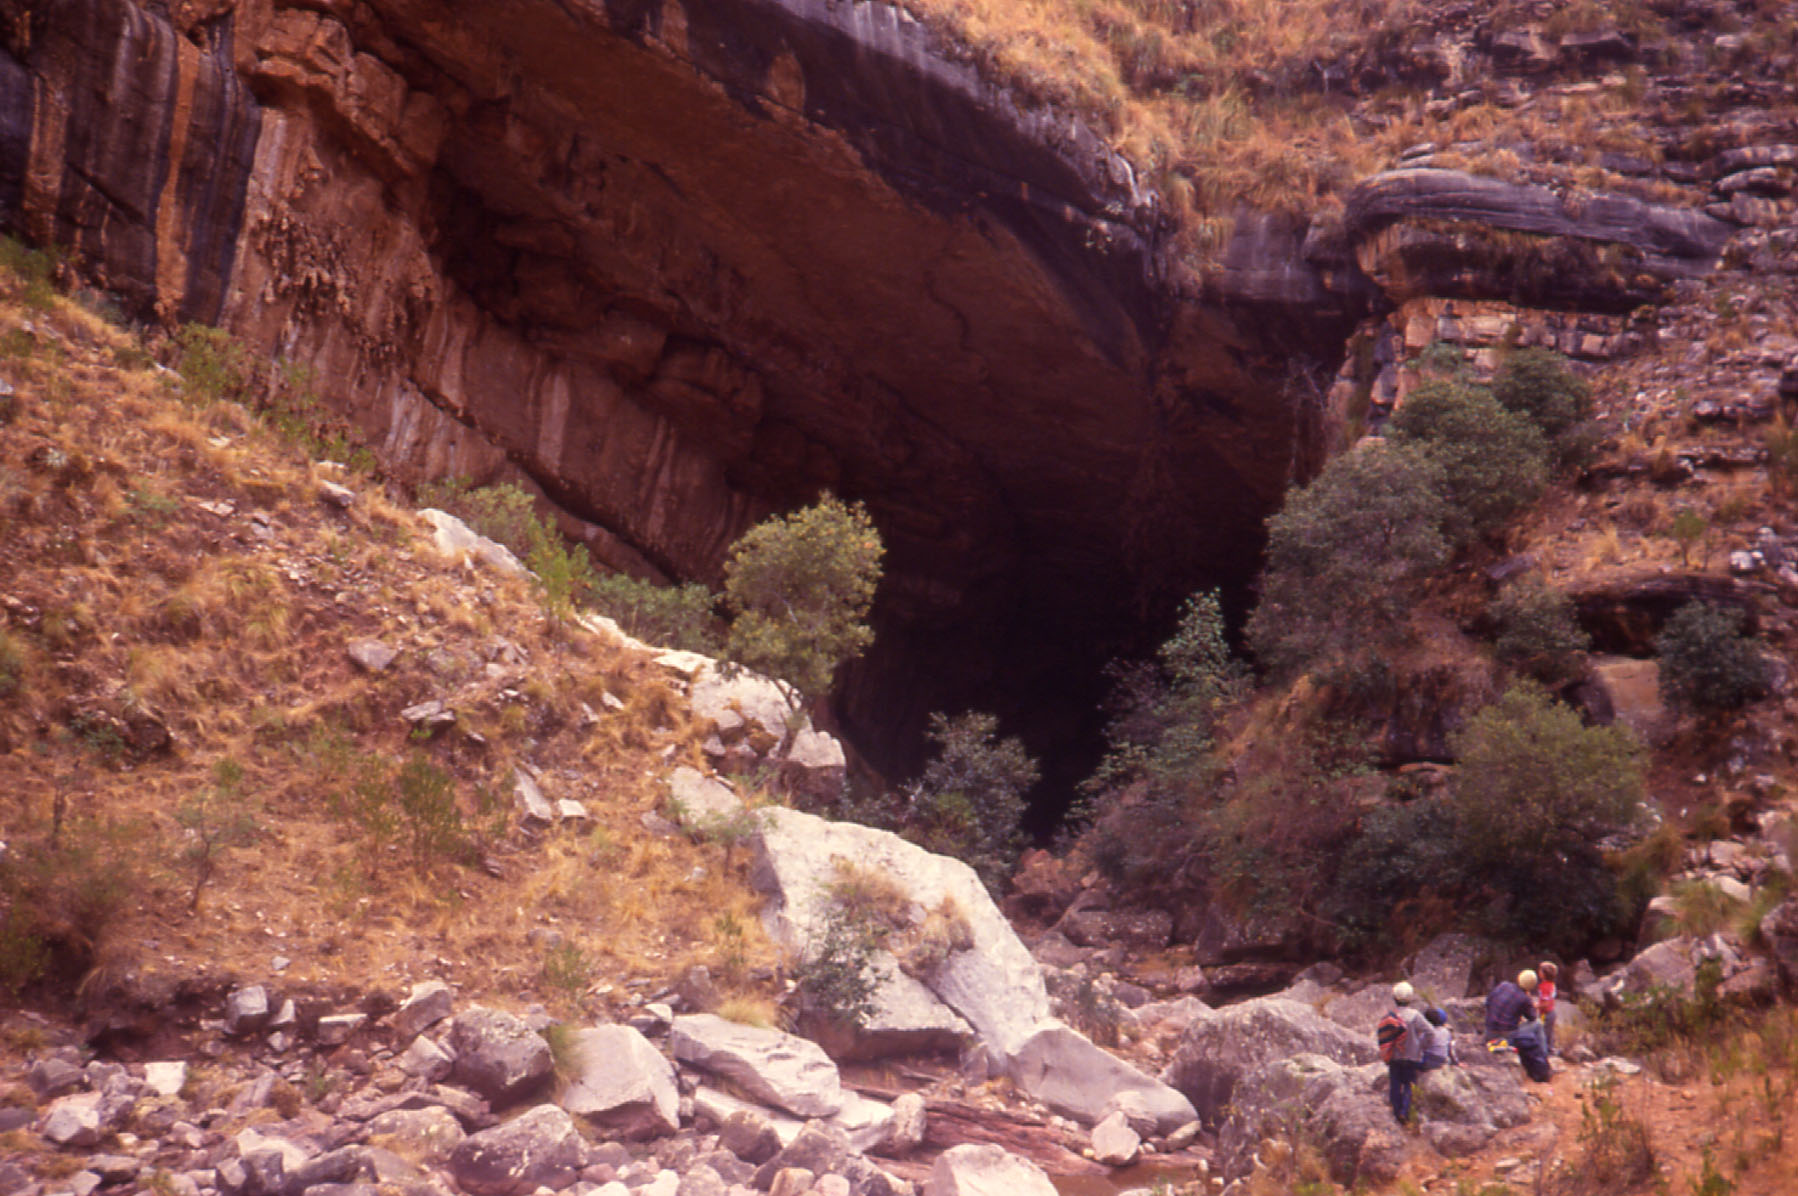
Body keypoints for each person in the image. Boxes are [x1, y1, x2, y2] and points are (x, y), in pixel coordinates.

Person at [1485, 969, 1551, 1082]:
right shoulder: (1524, 998)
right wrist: (1529, 999)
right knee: (1538, 1024)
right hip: (1507, 1036)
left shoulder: (1503, 985)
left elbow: (1488, 1002)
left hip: (1489, 1032)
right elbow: (1532, 1017)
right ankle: (1544, 1058)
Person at [1384, 981, 1432, 1124]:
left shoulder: (1390, 1016)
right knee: (1409, 1084)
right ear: (1410, 998)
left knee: (1395, 1084)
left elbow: (1384, 1036)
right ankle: (1405, 1112)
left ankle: (1396, 1111)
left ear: (1394, 998)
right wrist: (1421, 1046)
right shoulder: (1415, 1015)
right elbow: (1430, 1032)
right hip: (1412, 1056)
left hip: (1394, 1056)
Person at [1419, 1006, 1459, 1072]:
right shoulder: (1446, 1031)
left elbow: (1421, 1047)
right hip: (1442, 1060)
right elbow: (1450, 1049)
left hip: (1429, 1061)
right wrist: (1456, 1062)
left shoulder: (1426, 1033)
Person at [1536, 961, 1559, 1055]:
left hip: (1546, 1014)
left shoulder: (1544, 987)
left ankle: (1546, 1052)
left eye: (1540, 970)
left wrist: (1535, 1005)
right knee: (1549, 1033)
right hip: (1550, 1012)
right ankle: (1550, 1049)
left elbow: (1546, 1003)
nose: (1538, 972)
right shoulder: (1551, 984)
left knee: (1544, 1033)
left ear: (1545, 974)